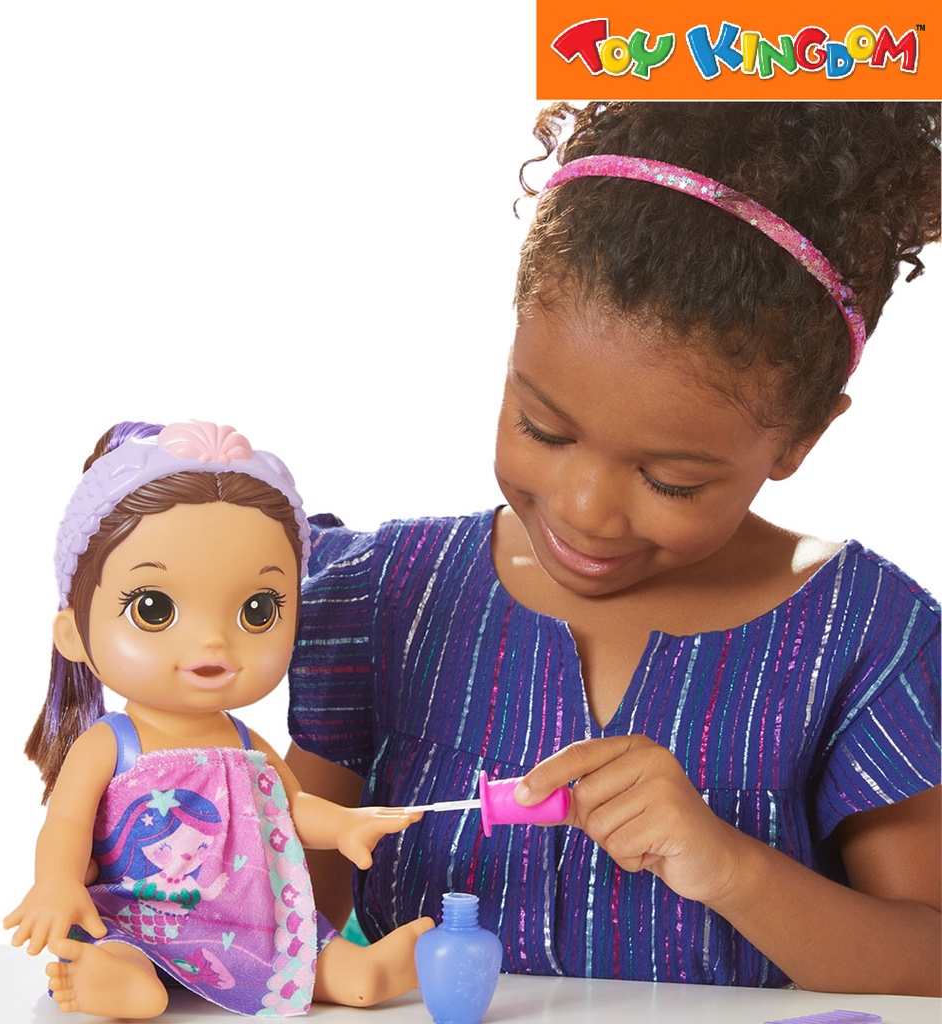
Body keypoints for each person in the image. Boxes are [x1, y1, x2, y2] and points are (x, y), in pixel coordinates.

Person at [285, 102, 941, 995]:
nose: (585, 511)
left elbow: (929, 961)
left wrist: (731, 868)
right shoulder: (388, 599)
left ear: (801, 438)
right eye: (543, 428)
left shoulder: (863, 637)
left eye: (670, 481)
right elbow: (282, 927)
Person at [4, 419, 432, 1018]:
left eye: (257, 610)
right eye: (153, 608)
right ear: (74, 633)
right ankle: (112, 976)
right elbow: (67, 822)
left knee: (311, 952)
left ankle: (361, 972)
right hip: (135, 916)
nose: (213, 641)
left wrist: (342, 826)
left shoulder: (243, 741)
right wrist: (56, 883)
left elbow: (289, 807)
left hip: (240, 927)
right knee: (123, 957)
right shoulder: (112, 744)